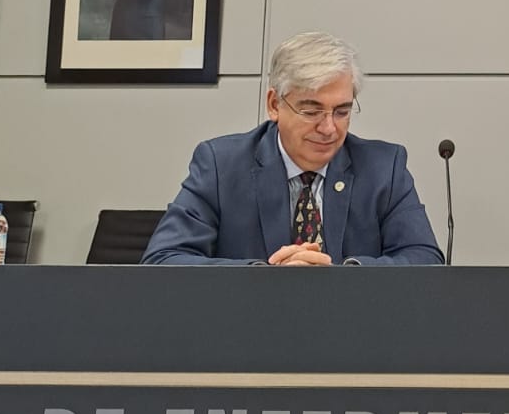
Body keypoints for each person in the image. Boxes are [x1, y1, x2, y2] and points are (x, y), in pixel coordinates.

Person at [143, 31, 443, 267]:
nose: (329, 128)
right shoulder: (221, 165)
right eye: (311, 111)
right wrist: (265, 276)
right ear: (275, 104)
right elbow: (163, 259)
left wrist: (345, 274)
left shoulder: (384, 167)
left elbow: (425, 259)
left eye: (341, 111)